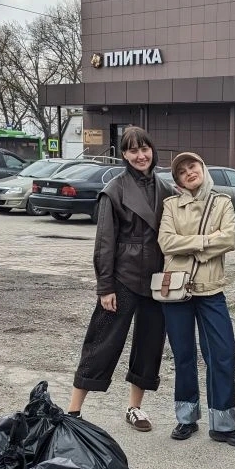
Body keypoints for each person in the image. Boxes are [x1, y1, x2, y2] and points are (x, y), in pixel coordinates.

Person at [67, 126, 172, 430]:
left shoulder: (166, 190)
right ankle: (73, 412)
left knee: (149, 345)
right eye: (132, 150)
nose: (140, 155)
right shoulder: (114, 190)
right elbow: (104, 243)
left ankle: (134, 408)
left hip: (156, 281)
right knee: (101, 342)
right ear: (123, 155)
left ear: (152, 151)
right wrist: (105, 286)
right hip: (123, 279)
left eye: (144, 149)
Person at [158, 152, 235, 448]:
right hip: (177, 291)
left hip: (210, 290)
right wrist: (204, 242)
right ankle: (186, 418)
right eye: (182, 171)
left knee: (222, 354)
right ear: (177, 180)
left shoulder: (221, 202)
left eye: (192, 166)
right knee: (184, 356)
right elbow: (165, 242)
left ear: (202, 168)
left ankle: (222, 424)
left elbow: (230, 239)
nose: (189, 172)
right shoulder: (170, 205)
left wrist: (189, 247)